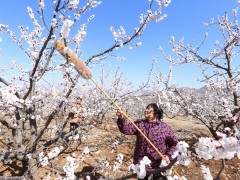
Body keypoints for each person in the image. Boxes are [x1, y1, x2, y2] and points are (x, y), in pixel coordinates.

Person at [116, 103, 178, 180]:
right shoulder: (140, 124)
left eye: (149, 109)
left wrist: (168, 155)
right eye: (146, 108)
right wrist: (122, 118)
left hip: (158, 164)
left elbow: (174, 144)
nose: (146, 110)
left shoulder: (164, 128)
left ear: (156, 113)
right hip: (142, 164)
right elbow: (126, 129)